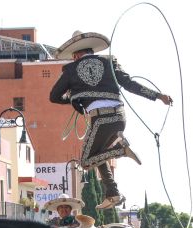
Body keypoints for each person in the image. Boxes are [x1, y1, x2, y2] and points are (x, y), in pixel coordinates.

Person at [49, 31, 173, 210]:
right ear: (91, 50)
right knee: (98, 154)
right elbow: (130, 84)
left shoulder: (70, 69)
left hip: (100, 119)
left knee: (85, 162)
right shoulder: (110, 61)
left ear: (75, 55)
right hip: (119, 117)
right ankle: (113, 193)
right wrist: (158, 96)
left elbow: (53, 96)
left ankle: (120, 150)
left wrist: (72, 98)